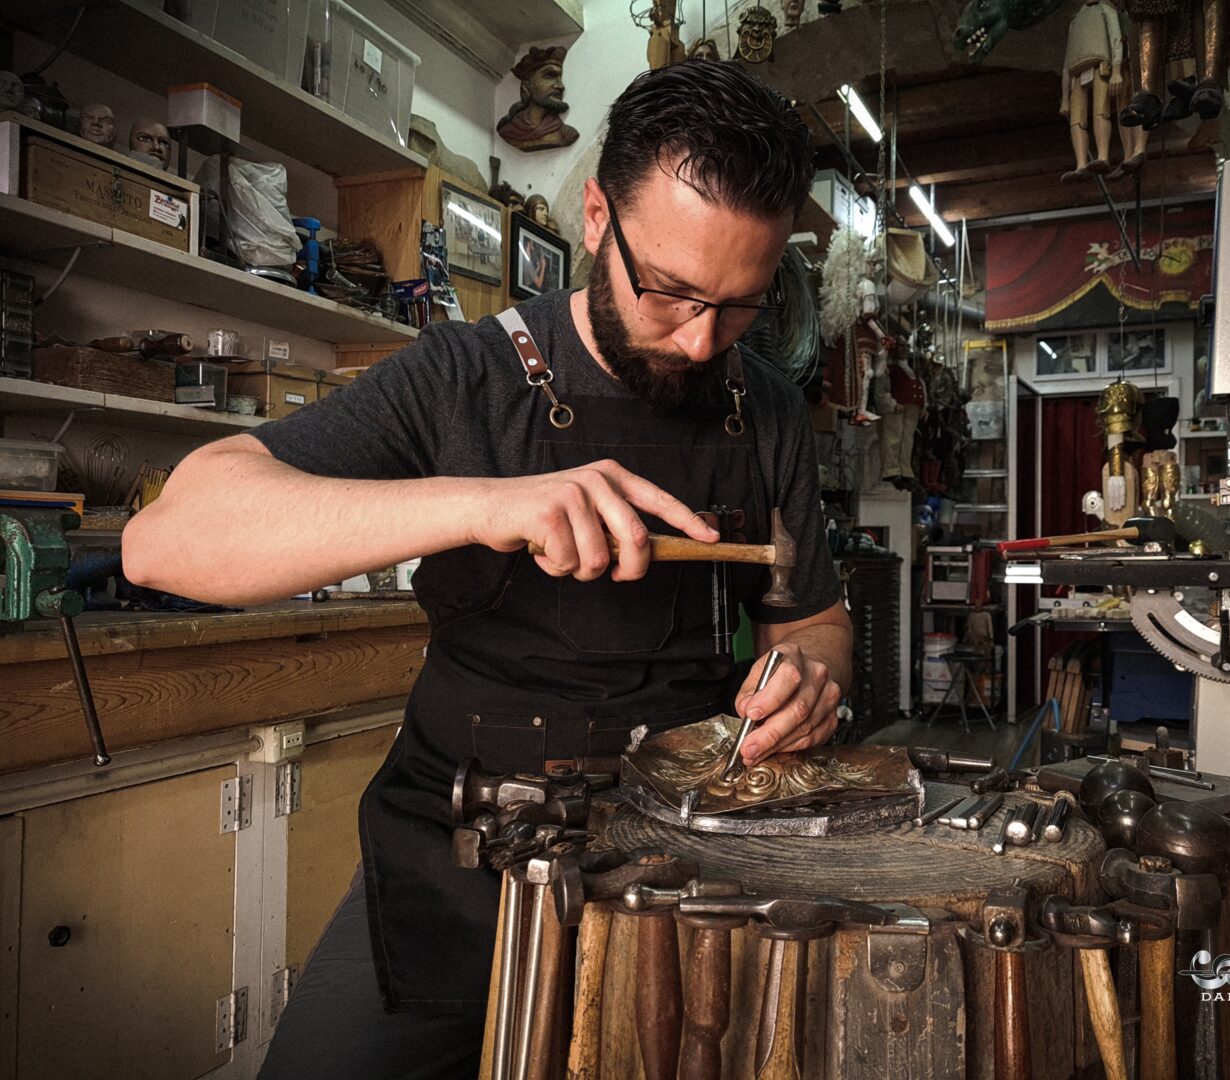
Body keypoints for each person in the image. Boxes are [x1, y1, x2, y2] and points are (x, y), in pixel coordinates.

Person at [122, 59, 848, 1080]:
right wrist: (484, 503)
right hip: (460, 847)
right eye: (672, 292)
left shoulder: (762, 407)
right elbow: (168, 541)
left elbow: (809, 621)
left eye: (738, 307)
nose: (697, 342)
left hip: (685, 847)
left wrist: (808, 678)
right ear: (598, 216)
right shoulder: (463, 375)